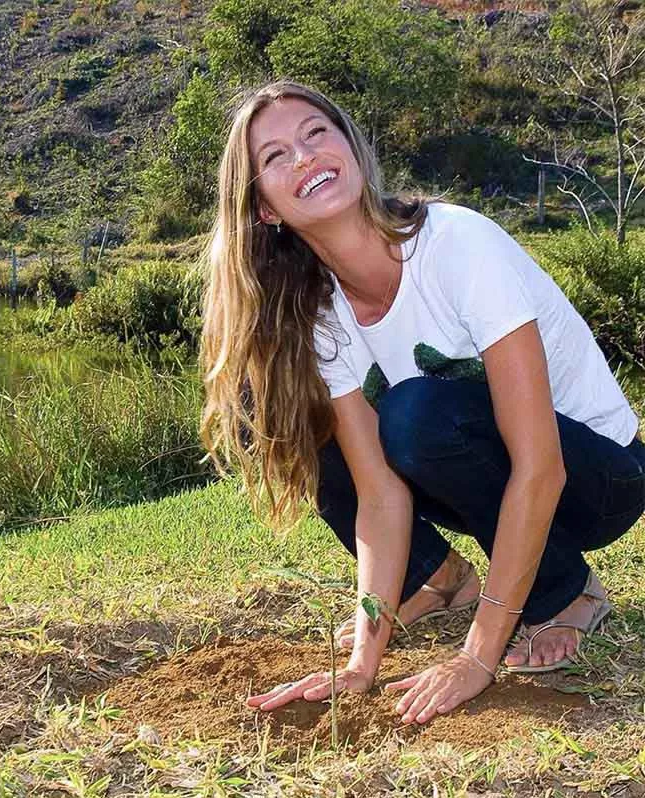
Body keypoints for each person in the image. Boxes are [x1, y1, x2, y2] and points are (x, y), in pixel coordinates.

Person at [199, 79, 645, 725]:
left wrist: (478, 656)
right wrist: (362, 664)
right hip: (487, 479)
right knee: (301, 414)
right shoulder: (321, 312)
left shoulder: (455, 242)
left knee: (417, 414)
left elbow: (541, 464)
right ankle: (437, 581)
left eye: (316, 133)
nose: (303, 157)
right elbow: (378, 494)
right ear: (265, 208)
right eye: (275, 156)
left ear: (350, 146)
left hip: (600, 478)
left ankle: (566, 592)